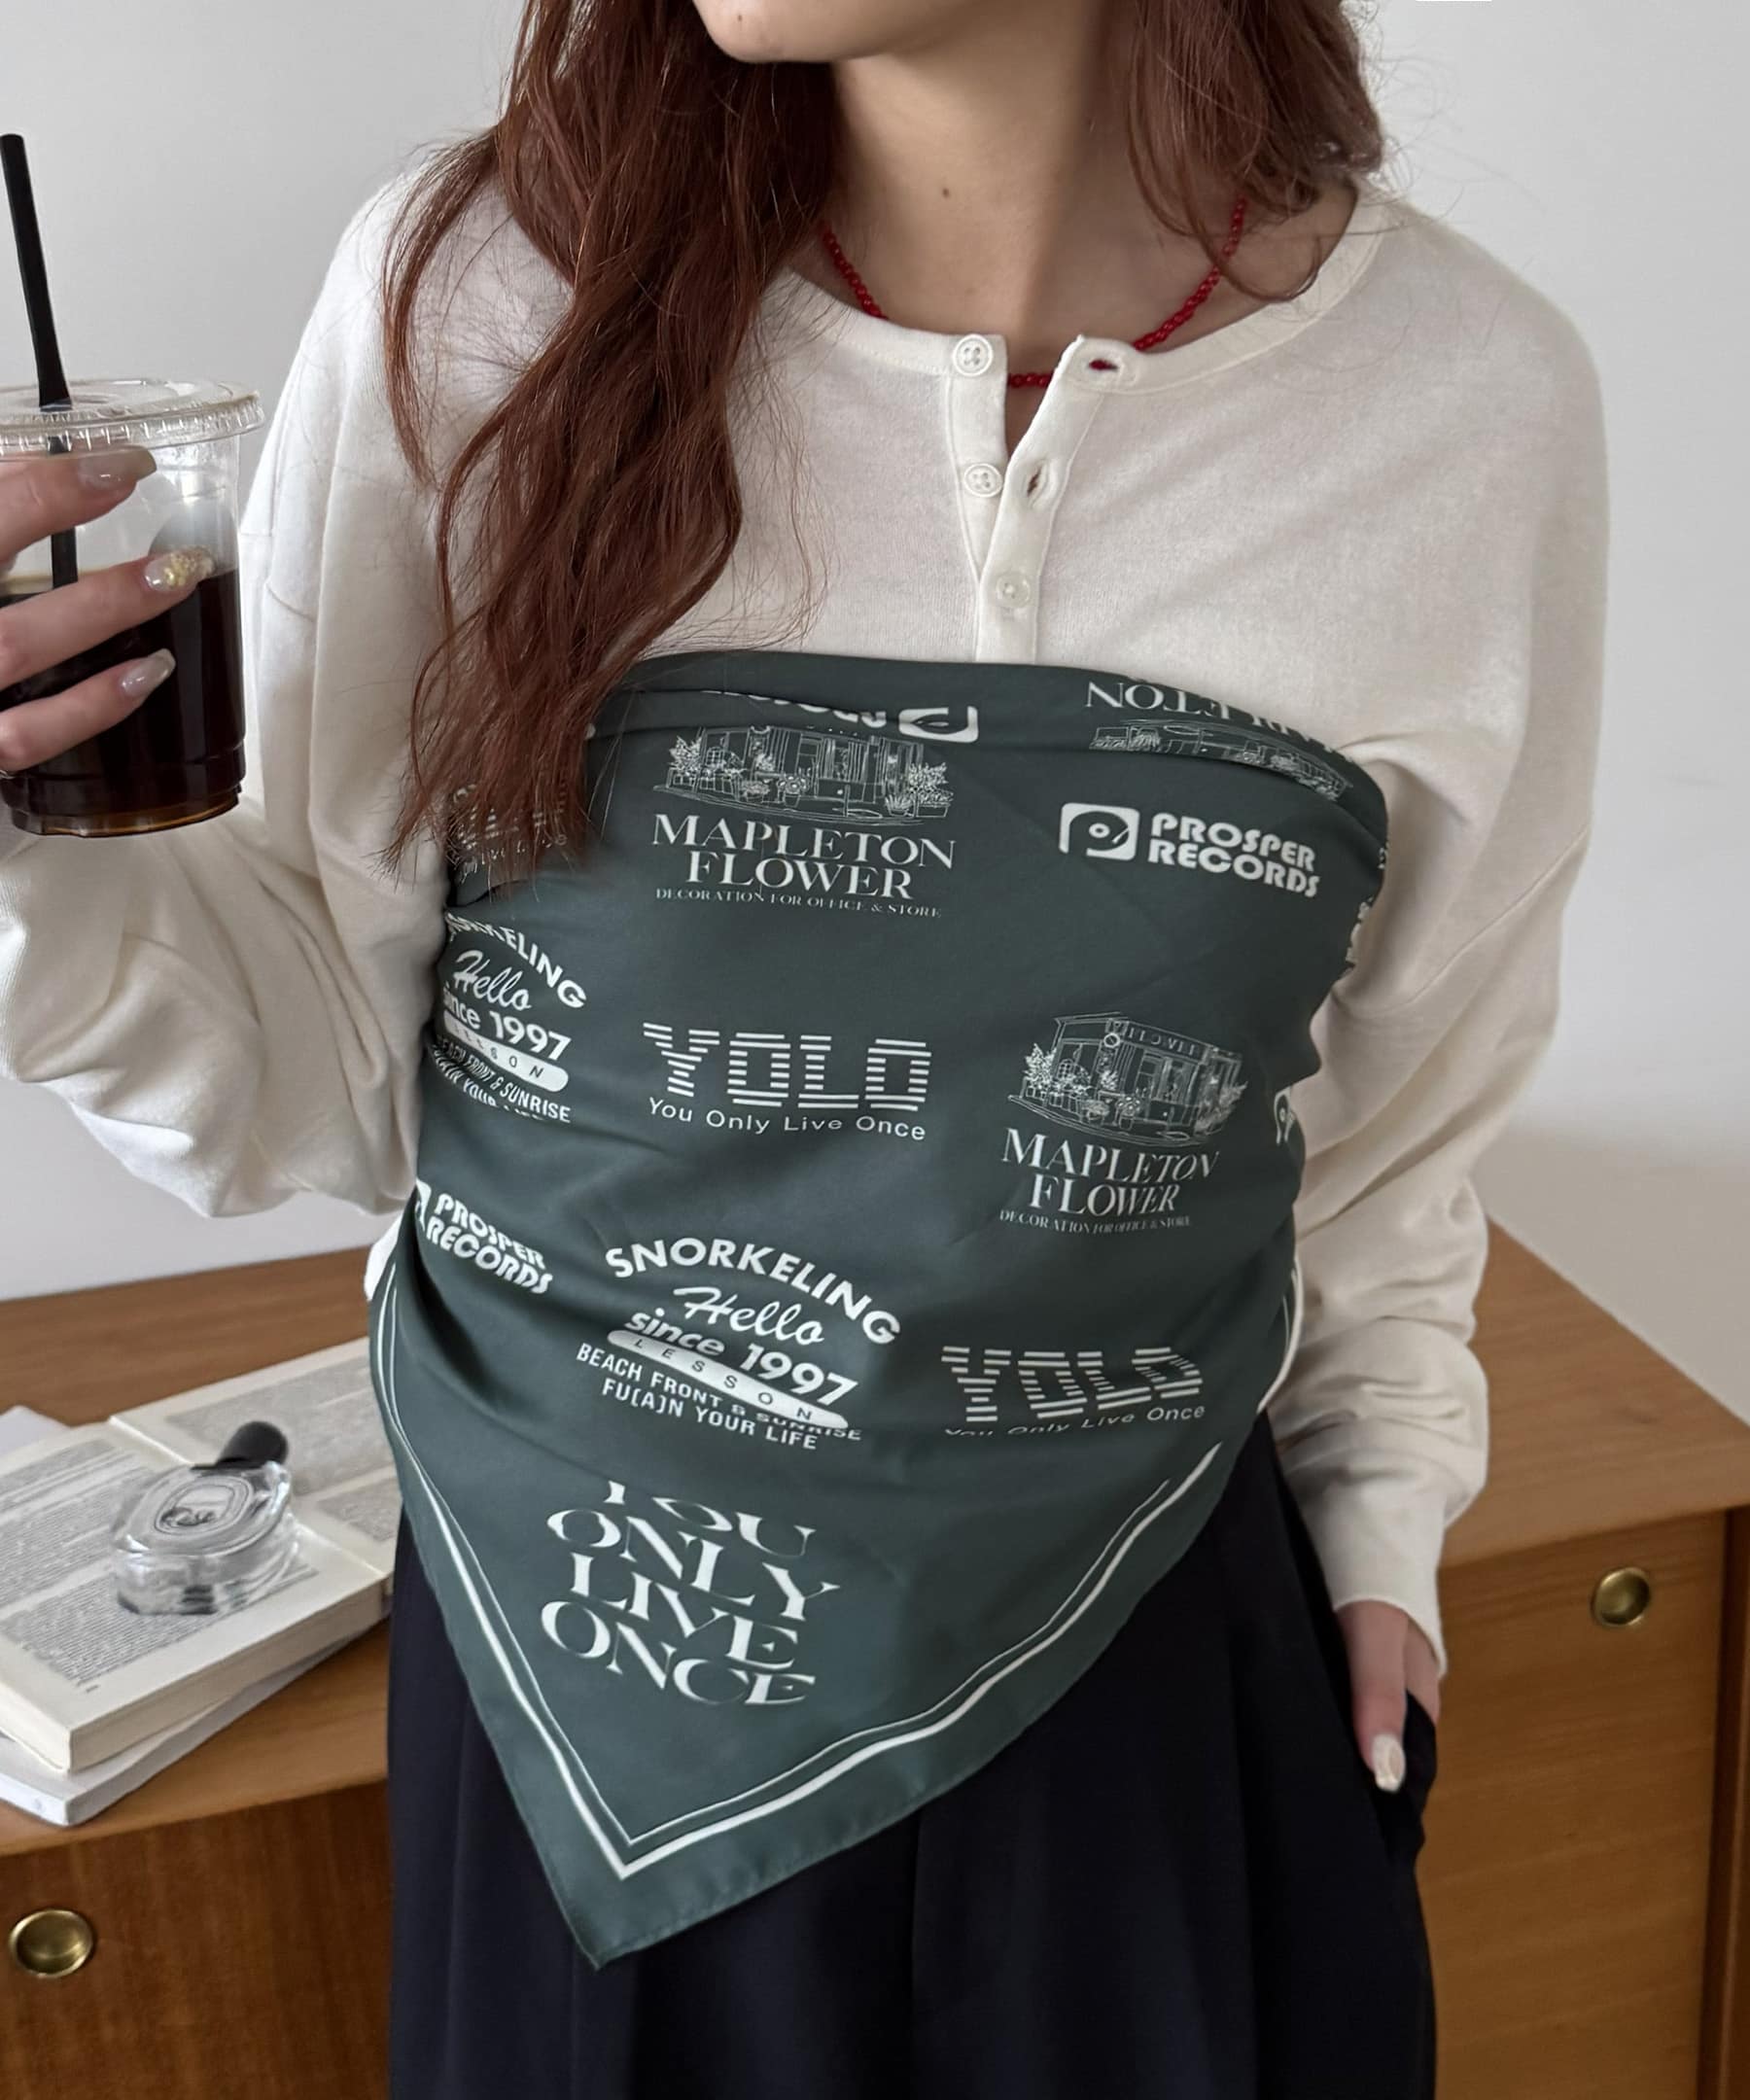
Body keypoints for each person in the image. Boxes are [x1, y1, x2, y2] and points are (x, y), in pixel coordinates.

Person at [0, 0, 1607, 2093]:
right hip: (589, 1687)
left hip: (1134, 1642)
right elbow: (329, 1085)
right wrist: (22, 878)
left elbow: (1393, 1123)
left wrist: (1381, 1514)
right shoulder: (476, 301)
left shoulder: (1468, 399)